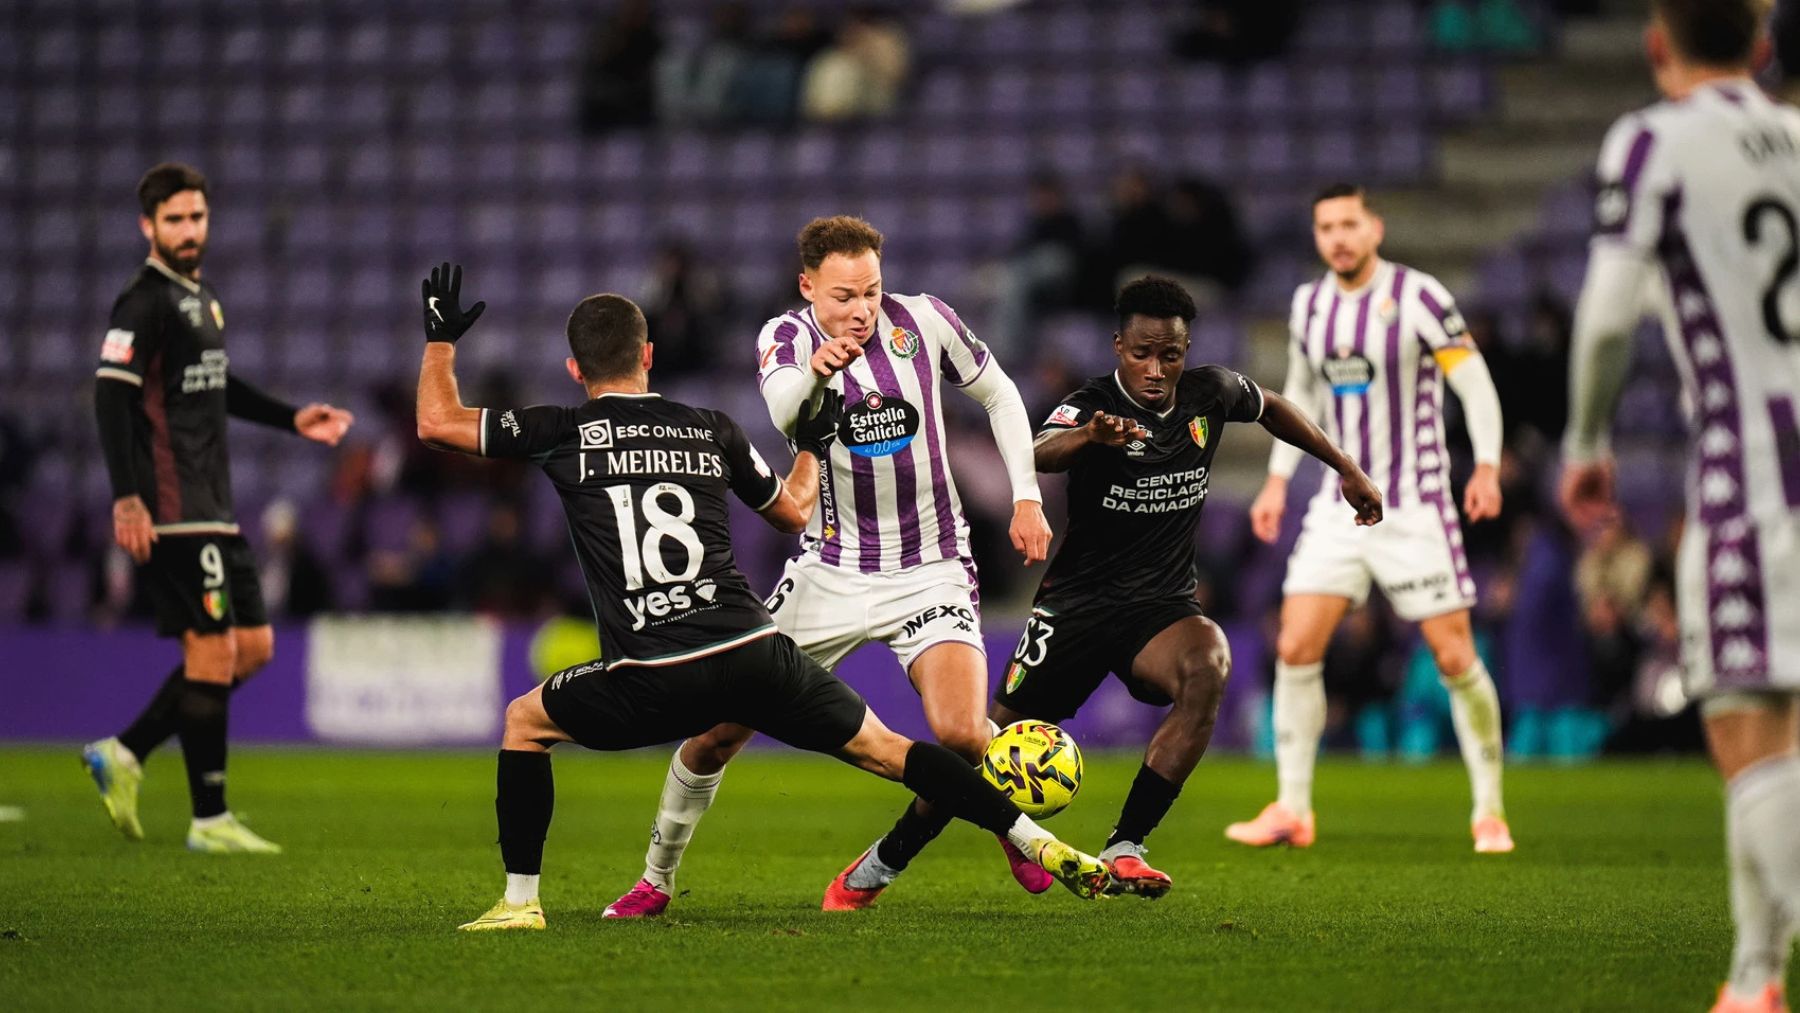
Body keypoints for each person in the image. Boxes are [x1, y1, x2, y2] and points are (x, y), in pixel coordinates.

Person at [410, 266, 1111, 930]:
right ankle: (1032, 836)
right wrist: (812, 444)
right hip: (752, 648)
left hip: (653, 669)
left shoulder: (561, 432)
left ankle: (521, 900)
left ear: (574, 370)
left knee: (525, 721)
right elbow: (792, 510)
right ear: (649, 355)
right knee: (890, 749)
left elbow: (436, 423)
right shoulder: (710, 427)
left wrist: (440, 339)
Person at [606, 215, 1054, 917]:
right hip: (830, 571)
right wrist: (816, 377)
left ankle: (1009, 827)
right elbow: (786, 413)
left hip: (930, 562)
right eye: (844, 295)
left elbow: (998, 392)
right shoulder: (785, 338)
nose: (862, 309)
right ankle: (654, 877)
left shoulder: (926, 320)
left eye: (872, 291)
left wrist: (1026, 497)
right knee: (717, 730)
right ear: (807, 285)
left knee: (965, 731)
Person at [883, 275, 1383, 898]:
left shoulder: (1210, 394)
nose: (1155, 368)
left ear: (1186, 351)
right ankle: (888, 859)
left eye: (1169, 355)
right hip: (1075, 608)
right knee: (981, 747)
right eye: (1141, 353)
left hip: (1161, 608)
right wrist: (1091, 437)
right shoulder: (1091, 404)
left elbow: (1274, 405)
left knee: (1209, 664)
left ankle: (1125, 847)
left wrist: (1346, 467)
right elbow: (1038, 449)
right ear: (1119, 347)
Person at [1558, 4, 1800, 1009]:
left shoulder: (1654, 139)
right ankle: (1753, 978)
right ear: (1762, 40)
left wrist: (1585, 440)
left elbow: (1611, 315)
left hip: (1757, 479)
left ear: (1657, 44)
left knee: (1747, 725)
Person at [1225, 183, 1514, 854]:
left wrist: (1490, 464)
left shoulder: (1419, 296)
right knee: (1296, 645)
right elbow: (1297, 394)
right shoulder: (1309, 305)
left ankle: (1490, 810)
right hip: (1336, 504)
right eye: (1326, 226)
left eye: (1349, 223)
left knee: (1453, 655)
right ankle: (1293, 808)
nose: (1338, 237)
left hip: (1414, 503)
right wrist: (1274, 482)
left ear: (1374, 228)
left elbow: (1472, 381)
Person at [81, 163, 355, 853]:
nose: (188, 230)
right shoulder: (141, 301)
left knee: (253, 647)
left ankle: (125, 750)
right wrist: (127, 497)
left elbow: (215, 384)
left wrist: (294, 418)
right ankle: (210, 817)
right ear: (148, 226)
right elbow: (111, 395)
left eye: (196, 217)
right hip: (173, 508)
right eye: (174, 219)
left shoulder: (200, 298)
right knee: (211, 651)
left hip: (216, 503)